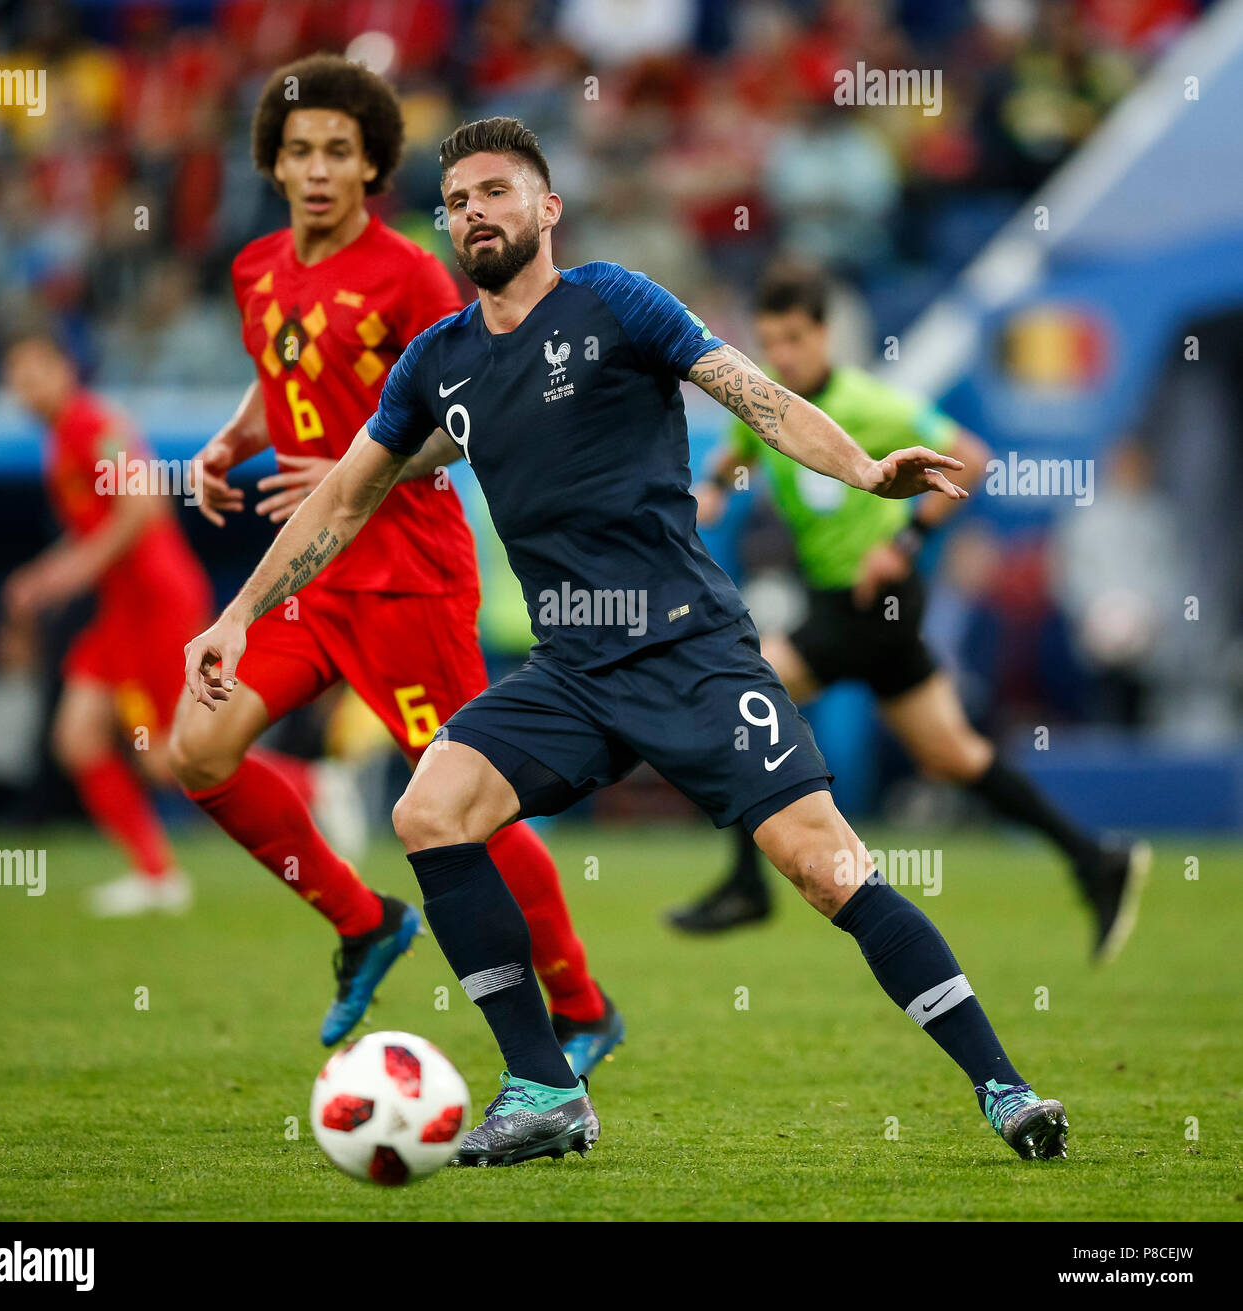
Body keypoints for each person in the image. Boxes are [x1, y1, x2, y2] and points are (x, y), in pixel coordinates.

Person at [184, 116, 1069, 1168]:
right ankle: (545, 1087)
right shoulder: (439, 362)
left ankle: (1003, 1086)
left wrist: (868, 473)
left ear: (545, 208)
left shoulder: (617, 302)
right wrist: (239, 615)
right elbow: (341, 498)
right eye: (457, 200)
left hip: (690, 650)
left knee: (827, 869)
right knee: (431, 810)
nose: (474, 213)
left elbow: (763, 399)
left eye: (496, 192)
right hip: (570, 667)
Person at [167, 58, 620, 1073]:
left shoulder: (412, 274)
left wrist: (348, 467)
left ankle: (582, 1007)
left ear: (372, 165)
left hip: (405, 576)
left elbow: (474, 406)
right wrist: (234, 440)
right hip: (307, 582)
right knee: (194, 749)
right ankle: (365, 922)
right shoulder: (255, 269)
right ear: (272, 166)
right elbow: (279, 366)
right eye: (299, 152)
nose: (318, 169)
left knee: (462, 803)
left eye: (339, 151)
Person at [670, 263, 1150, 960]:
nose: (783, 356)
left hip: (875, 600)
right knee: (951, 752)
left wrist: (907, 541)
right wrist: (713, 487)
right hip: (846, 606)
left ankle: (749, 882)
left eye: (796, 339)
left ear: (826, 334)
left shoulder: (870, 403)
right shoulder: (770, 400)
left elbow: (973, 456)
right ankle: (1095, 857)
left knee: (740, 701)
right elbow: (745, 447)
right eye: (771, 342)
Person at [3, 330, 211, 917]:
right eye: (13, 378)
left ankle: (310, 787)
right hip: (122, 612)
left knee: (171, 756)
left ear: (64, 369)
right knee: (78, 736)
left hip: (159, 603)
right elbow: (96, 527)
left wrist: (73, 573)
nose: (21, 388)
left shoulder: (91, 423)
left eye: (31, 373)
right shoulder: (62, 439)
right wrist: (44, 575)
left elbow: (143, 504)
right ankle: (156, 875)